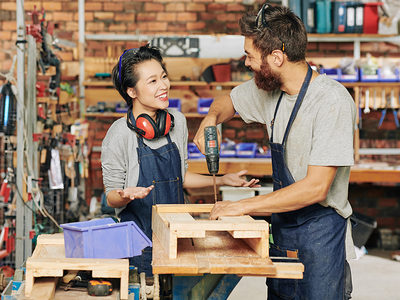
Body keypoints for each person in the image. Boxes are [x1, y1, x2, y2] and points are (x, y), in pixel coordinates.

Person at [193, 4, 356, 300]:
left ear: (276, 58)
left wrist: (242, 206)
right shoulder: (270, 90)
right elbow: (225, 102)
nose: (246, 63)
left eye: (250, 56)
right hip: (283, 231)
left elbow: (316, 188)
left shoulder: (332, 101)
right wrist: (210, 119)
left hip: (320, 236)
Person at [101, 45, 259, 277]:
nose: (163, 85)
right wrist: (124, 194)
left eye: (163, 76)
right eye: (152, 81)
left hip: (179, 235)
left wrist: (224, 179)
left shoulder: (177, 122)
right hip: (140, 242)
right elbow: (111, 196)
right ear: (132, 92)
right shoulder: (119, 134)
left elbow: (180, 176)